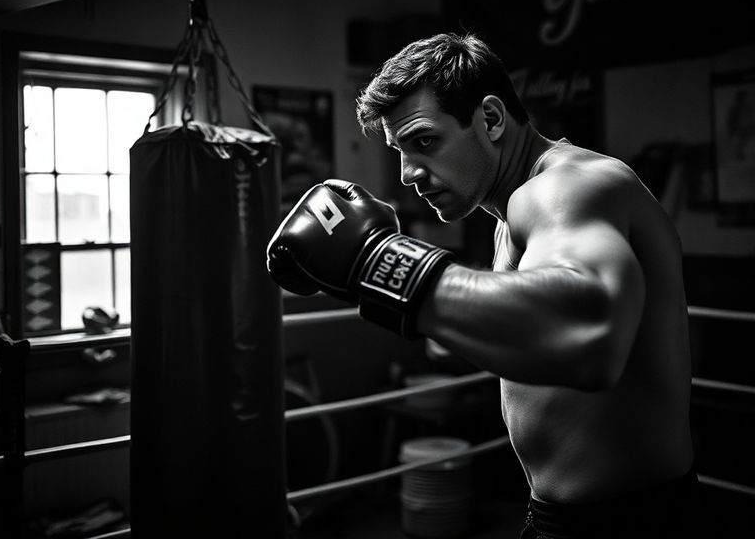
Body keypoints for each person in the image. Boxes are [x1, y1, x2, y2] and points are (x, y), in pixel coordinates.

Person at [266, 33, 699, 538]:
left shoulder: (564, 187)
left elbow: (591, 328)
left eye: (424, 141)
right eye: (399, 150)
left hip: (634, 522)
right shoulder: (505, 215)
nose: (407, 174)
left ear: (490, 119)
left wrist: (381, 264)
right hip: (556, 516)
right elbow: (535, 342)